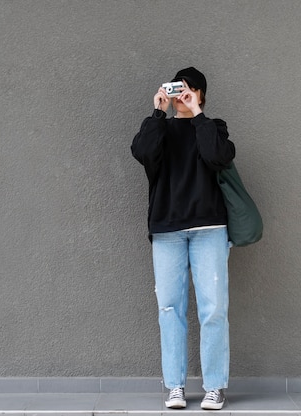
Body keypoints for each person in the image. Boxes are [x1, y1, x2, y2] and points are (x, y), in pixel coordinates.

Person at [131, 67, 235, 410]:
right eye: (178, 88)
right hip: (167, 230)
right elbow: (142, 152)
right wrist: (159, 111)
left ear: (201, 93)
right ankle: (174, 386)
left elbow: (218, 156)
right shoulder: (160, 128)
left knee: (214, 309)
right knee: (169, 308)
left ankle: (215, 386)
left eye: (189, 89)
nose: (182, 94)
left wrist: (199, 115)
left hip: (209, 230)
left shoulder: (213, 127)